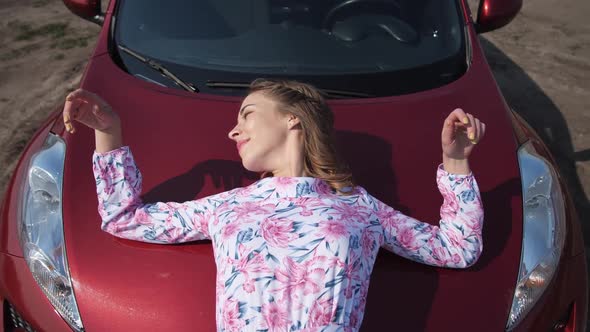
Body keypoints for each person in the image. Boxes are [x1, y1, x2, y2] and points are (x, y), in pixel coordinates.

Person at [62, 79, 485, 332]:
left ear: (293, 118)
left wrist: (456, 161)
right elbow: (125, 219)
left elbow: (457, 248)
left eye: (246, 114)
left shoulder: (358, 207)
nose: (232, 131)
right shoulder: (228, 207)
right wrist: (109, 132)